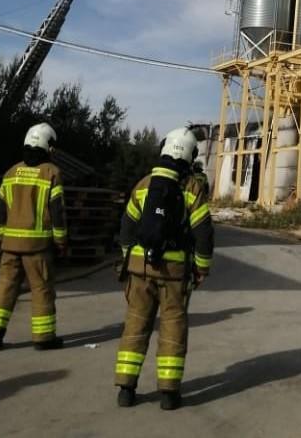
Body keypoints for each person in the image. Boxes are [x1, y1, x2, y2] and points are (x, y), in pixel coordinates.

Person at [114, 126, 214, 410]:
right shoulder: (192, 188)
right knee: (172, 327)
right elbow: (203, 232)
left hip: (139, 268)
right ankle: (169, 394)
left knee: (135, 324)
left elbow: (127, 226)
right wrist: (202, 268)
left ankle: (125, 389)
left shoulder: (144, 184)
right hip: (173, 272)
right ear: (190, 155)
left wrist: (129, 259)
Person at [0, 123, 68, 351]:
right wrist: (61, 242)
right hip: (38, 247)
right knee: (41, 290)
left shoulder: (11, 172)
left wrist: (3, 237)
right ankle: (43, 338)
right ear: (47, 145)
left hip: (10, 246)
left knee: (5, 287)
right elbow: (58, 212)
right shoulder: (51, 173)